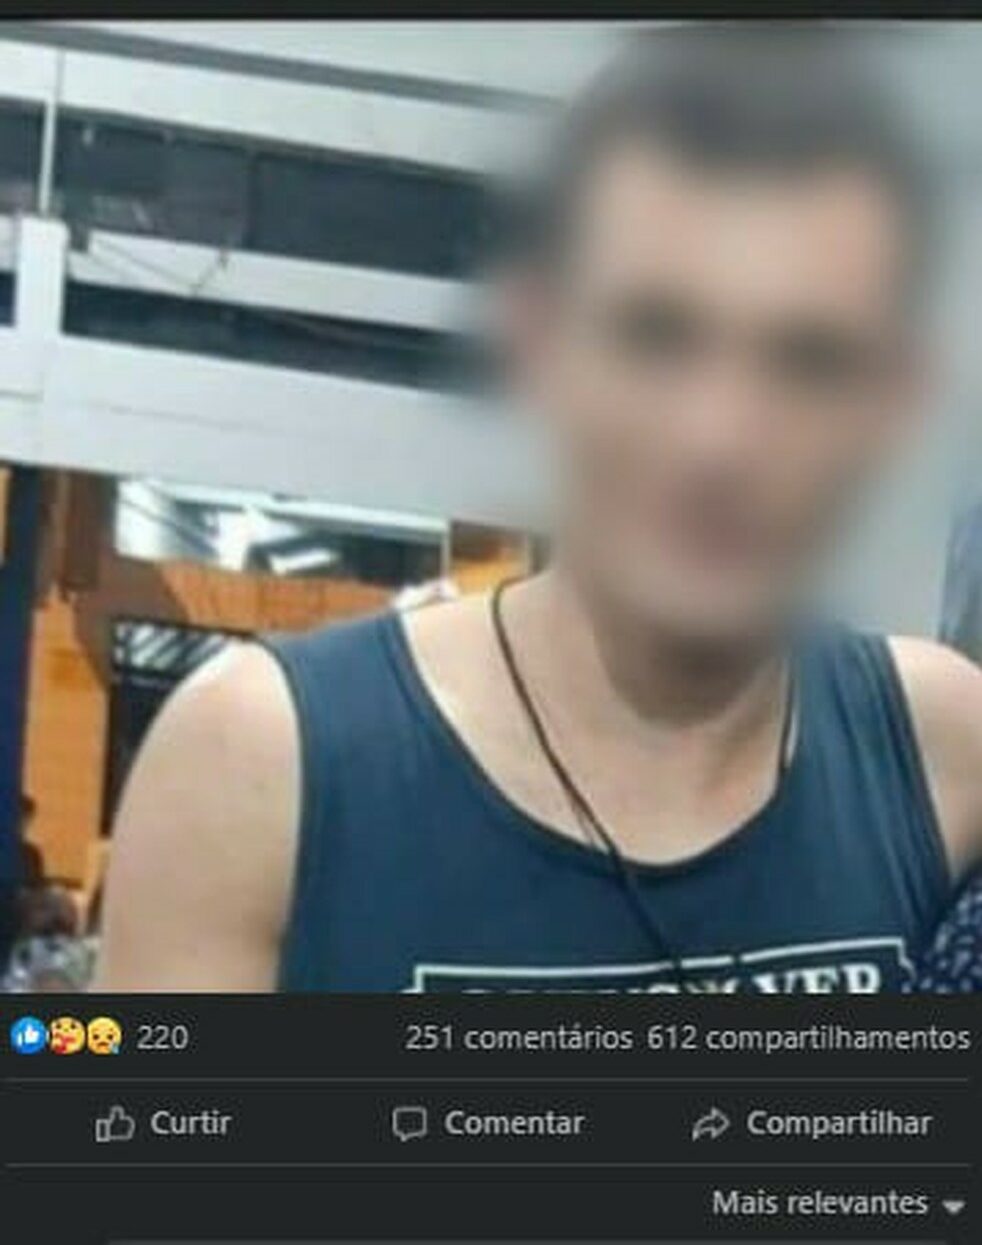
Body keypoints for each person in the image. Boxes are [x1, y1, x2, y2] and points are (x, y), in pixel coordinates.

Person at [95, 26, 982, 994]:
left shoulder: (939, 744)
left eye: (809, 361)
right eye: (655, 336)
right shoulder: (268, 764)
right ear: (540, 346)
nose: (719, 439)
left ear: (891, 403)